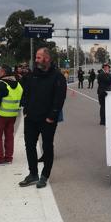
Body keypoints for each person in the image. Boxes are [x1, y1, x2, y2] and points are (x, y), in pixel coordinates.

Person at [19, 48, 67, 189]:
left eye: (39, 57)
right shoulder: (31, 75)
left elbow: (59, 99)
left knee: (47, 147)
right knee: (29, 146)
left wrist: (52, 117)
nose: (36, 60)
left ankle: (44, 175)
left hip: (47, 120)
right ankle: (33, 174)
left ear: (47, 59)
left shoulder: (58, 77)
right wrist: (26, 110)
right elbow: (25, 94)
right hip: (31, 118)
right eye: (36, 57)